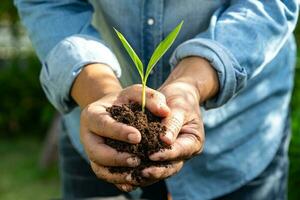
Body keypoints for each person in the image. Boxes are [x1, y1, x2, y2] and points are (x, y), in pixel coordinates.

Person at [14, 1, 298, 200]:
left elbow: (268, 4)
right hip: (97, 131)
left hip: (238, 139)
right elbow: (47, 3)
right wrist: (100, 94)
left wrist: (191, 84)